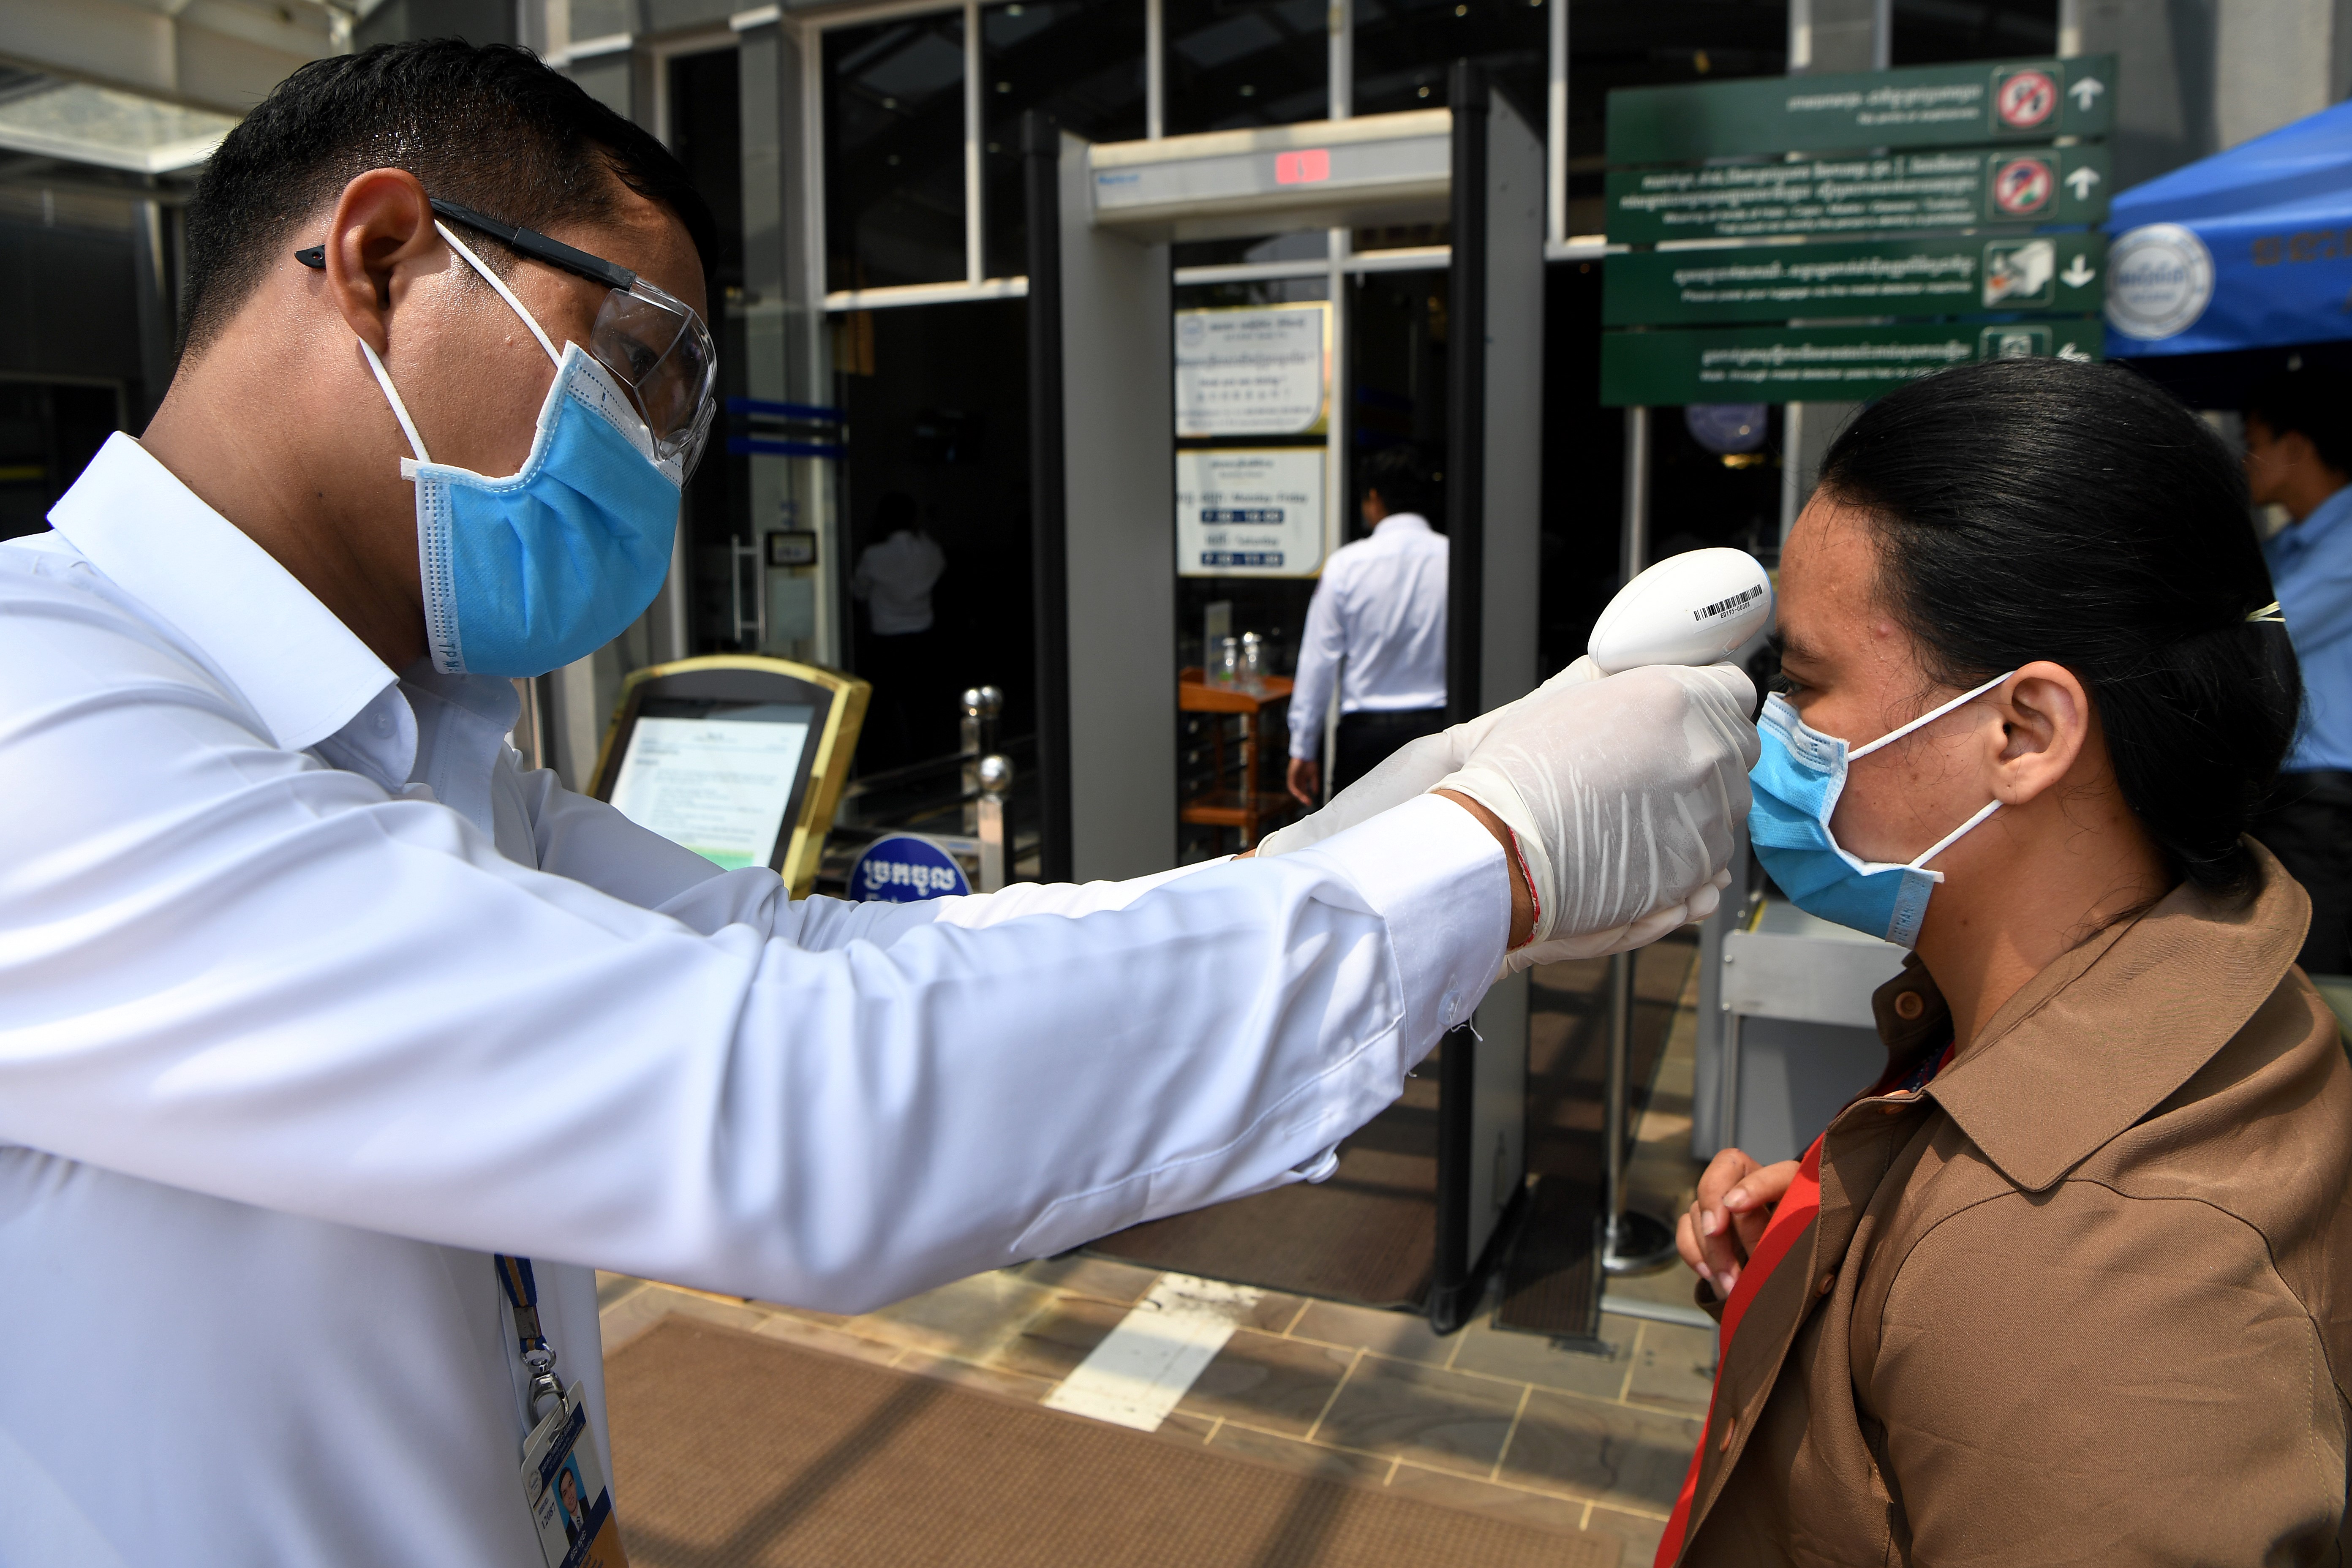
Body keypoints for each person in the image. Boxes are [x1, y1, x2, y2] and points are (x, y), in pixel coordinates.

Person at [0, 41, 1759, 1563]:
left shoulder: (424, 754)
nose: (665, 463)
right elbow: (775, 1086)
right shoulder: (46, 726)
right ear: (385, 257)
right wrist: (1492, 864)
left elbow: (808, 952)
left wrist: (1369, 841)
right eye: (642, 363)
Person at [1661, 357, 2350, 1565]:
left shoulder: (2078, 1279)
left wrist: (1964, 1283)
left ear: (2023, 732)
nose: (1771, 730)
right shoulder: (2198, 995)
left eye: (1807, 685)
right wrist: (1850, 1267)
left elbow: (2050, 1338)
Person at [2244, 367, 2352, 975]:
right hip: (2289, 794)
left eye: (2254, 438)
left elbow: (2263, 632)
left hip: (2331, 798)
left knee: (2320, 980)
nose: (2245, 458)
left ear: (2294, 446)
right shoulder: (2288, 548)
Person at [1286, 444, 1450, 806]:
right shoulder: (1455, 559)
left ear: (1374, 498)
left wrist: (1303, 747)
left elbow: (1319, 661)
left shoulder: (1347, 565)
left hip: (1364, 738)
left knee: (1351, 853)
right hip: (1439, 733)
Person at [849, 490, 948, 767]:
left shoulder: (874, 555)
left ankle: (871, 770)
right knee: (920, 709)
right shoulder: (930, 551)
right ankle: (920, 773)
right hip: (923, 639)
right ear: (914, 519)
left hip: (887, 640)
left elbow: (859, 592)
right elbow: (940, 564)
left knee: (879, 710)